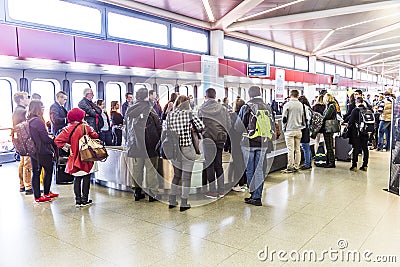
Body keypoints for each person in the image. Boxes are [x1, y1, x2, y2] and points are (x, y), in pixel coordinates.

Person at [235, 86, 273, 206]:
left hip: (248, 143)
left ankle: (253, 194)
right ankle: (258, 196)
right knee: (259, 169)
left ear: (249, 94)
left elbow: (238, 126)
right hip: (263, 142)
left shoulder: (246, 107)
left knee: (250, 169)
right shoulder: (267, 106)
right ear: (260, 93)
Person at [54, 108, 99, 207]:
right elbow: (95, 135)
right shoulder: (85, 127)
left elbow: (57, 140)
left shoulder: (67, 128)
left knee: (77, 179)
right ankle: (85, 199)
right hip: (86, 155)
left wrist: (68, 148)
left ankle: (78, 200)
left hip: (74, 156)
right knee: (86, 177)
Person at [167, 95, 204, 211]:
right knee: (186, 177)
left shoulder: (170, 115)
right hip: (186, 148)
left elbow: (165, 130)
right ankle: (184, 202)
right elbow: (201, 126)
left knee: (176, 175)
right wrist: (192, 128)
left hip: (174, 149)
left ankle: (172, 200)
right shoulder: (189, 114)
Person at [125, 88, 162, 202]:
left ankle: (137, 192)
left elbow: (126, 128)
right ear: (147, 96)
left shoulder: (130, 110)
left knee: (137, 169)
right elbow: (158, 125)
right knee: (151, 169)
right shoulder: (150, 109)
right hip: (150, 145)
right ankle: (152, 194)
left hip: (135, 145)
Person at [199, 88, 231, 198]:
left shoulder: (202, 108)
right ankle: (221, 190)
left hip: (208, 139)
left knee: (210, 164)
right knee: (219, 163)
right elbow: (228, 124)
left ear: (206, 96)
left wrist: (203, 132)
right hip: (220, 138)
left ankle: (212, 191)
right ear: (215, 95)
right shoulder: (223, 108)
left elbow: (198, 124)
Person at [27, 100, 58, 203]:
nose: (43, 108)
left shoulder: (29, 120)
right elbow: (45, 139)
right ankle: (46, 193)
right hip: (42, 151)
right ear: (38, 108)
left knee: (36, 172)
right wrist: (54, 140)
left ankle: (37, 196)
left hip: (33, 150)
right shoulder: (38, 121)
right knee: (48, 171)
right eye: (42, 106)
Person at [12, 92, 32, 195]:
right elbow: (26, 127)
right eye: (26, 98)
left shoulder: (16, 110)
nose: (28, 99)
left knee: (22, 162)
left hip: (18, 139)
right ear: (21, 100)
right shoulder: (23, 111)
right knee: (27, 163)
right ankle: (28, 186)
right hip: (24, 140)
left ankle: (22, 185)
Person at [281, 90, 305, 173]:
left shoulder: (287, 105)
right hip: (298, 129)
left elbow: (284, 119)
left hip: (289, 130)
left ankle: (290, 167)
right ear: (298, 95)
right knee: (298, 149)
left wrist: (283, 128)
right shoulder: (301, 105)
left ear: (290, 95)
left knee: (290, 149)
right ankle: (296, 166)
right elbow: (303, 118)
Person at [228, 98, 247, 192]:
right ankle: (243, 183)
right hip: (244, 141)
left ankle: (236, 184)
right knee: (243, 163)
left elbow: (229, 129)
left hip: (234, 142)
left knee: (237, 164)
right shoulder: (245, 115)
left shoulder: (232, 115)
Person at [348, 97, 369, 171]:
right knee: (365, 148)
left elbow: (350, 121)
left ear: (357, 102)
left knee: (356, 148)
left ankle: (354, 166)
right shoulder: (367, 110)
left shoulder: (355, 110)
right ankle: (365, 165)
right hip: (365, 132)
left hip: (356, 132)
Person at [321, 93, 338, 168]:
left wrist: (321, 118)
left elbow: (326, 116)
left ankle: (331, 162)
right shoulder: (331, 105)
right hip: (329, 127)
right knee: (329, 144)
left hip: (328, 127)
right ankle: (329, 161)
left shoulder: (331, 106)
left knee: (329, 145)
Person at [298, 96, 313, 170]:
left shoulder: (303, 108)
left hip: (304, 129)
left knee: (305, 147)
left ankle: (307, 164)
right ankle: (309, 163)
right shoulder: (308, 108)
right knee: (307, 147)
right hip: (307, 129)